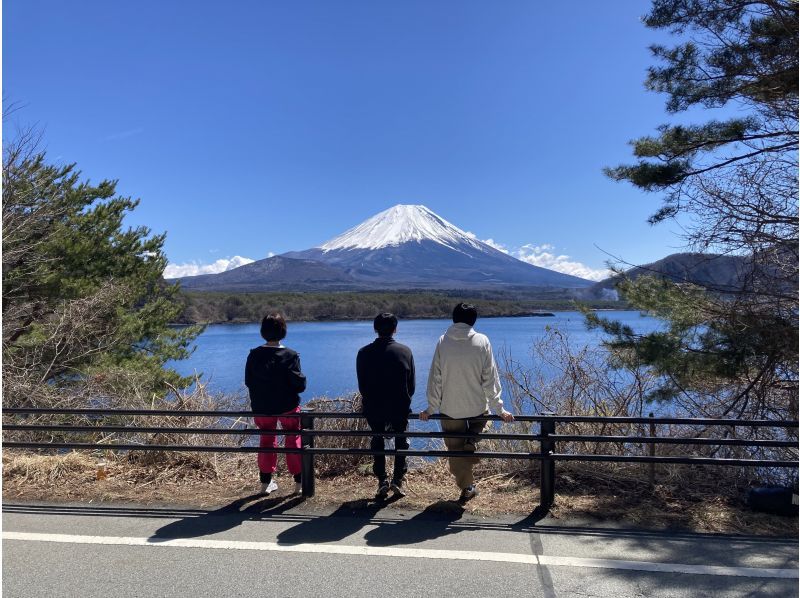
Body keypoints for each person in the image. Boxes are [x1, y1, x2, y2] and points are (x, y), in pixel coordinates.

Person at [420, 302, 514, 503]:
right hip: (477, 408)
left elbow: (435, 377)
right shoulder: (482, 341)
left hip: (450, 410)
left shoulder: (442, 341)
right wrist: (500, 408)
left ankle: (467, 487)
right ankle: (472, 440)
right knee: (486, 421)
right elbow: (490, 378)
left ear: (454, 318)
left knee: (455, 452)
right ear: (474, 320)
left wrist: (430, 407)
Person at [244, 313, 306, 495]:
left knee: (266, 440)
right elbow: (299, 385)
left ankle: (265, 483)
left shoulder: (254, 355)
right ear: (283, 331)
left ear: (263, 332)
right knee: (293, 439)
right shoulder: (291, 355)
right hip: (287, 405)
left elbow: (249, 381)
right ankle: (299, 483)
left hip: (262, 407)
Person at [356, 312, 415, 499]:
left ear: (375, 328)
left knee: (378, 440)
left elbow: (362, 386)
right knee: (401, 441)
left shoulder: (363, 353)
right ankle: (397, 480)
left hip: (374, 407)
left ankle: (382, 480)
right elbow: (411, 386)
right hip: (399, 407)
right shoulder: (405, 352)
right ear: (395, 329)